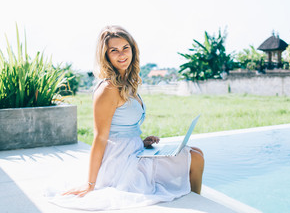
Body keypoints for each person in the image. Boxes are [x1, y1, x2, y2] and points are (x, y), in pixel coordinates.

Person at [48, 25, 204, 210]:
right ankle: (197, 203)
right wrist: (90, 184)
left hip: (133, 149)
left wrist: (141, 142)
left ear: (132, 49)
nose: (121, 54)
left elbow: (121, 126)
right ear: (106, 55)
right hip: (119, 160)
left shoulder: (126, 84)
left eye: (125, 48)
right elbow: (100, 137)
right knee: (195, 158)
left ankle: (196, 199)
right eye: (114, 50)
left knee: (197, 152)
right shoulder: (108, 88)